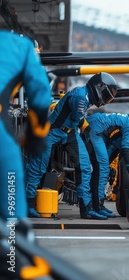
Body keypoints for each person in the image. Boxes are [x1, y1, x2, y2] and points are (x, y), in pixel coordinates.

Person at [25, 72, 117, 219]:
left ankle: (86, 209)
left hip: (70, 133)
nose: (105, 99)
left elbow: (78, 121)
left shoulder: (85, 97)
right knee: (38, 167)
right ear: (98, 89)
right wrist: (90, 131)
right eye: (106, 94)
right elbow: (79, 119)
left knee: (85, 167)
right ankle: (27, 205)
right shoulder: (80, 97)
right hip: (52, 131)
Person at [0, 31, 52, 220]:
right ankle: (14, 242)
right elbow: (41, 94)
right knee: (11, 206)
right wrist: (36, 137)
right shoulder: (21, 47)